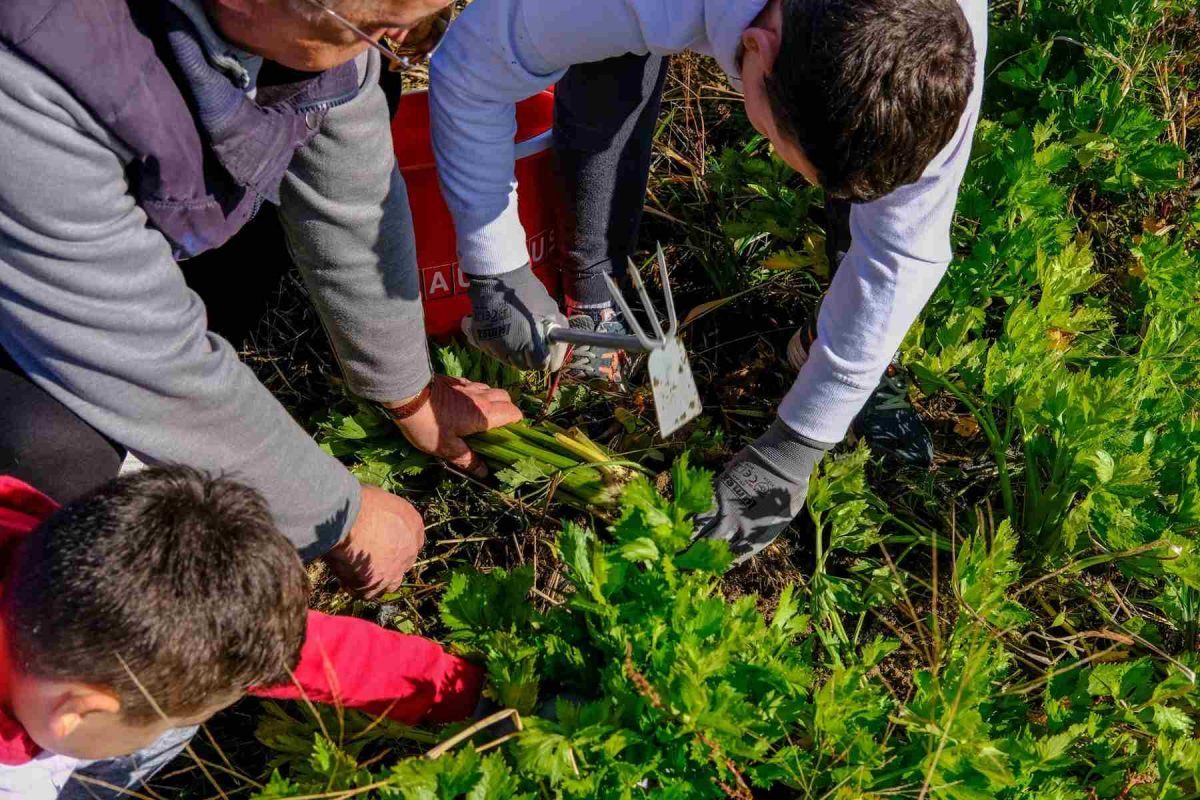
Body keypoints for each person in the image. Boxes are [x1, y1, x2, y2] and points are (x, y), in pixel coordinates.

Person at [429, 0, 988, 564]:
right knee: (607, 76)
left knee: (866, 182)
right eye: (780, 145)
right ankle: (595, 288)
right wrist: (494, 262)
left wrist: (796, 447)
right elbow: (472, 66)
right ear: (758, 49)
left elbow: (903, 246)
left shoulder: (941, 43)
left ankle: (830, 339)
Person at [0, 0, 522, 601]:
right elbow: (133, 351)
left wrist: (407, 390)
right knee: (54, 446)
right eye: (379, 29)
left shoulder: (323, 26)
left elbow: (350, 196)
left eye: (422, 23)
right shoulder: (34, 70)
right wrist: (335, 513)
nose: (390, 45)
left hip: (91, 250)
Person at [0, 466, 486, 799]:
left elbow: (300, 648)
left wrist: (457, 688)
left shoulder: (107, 578)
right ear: (77, 712)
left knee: (180, 709)